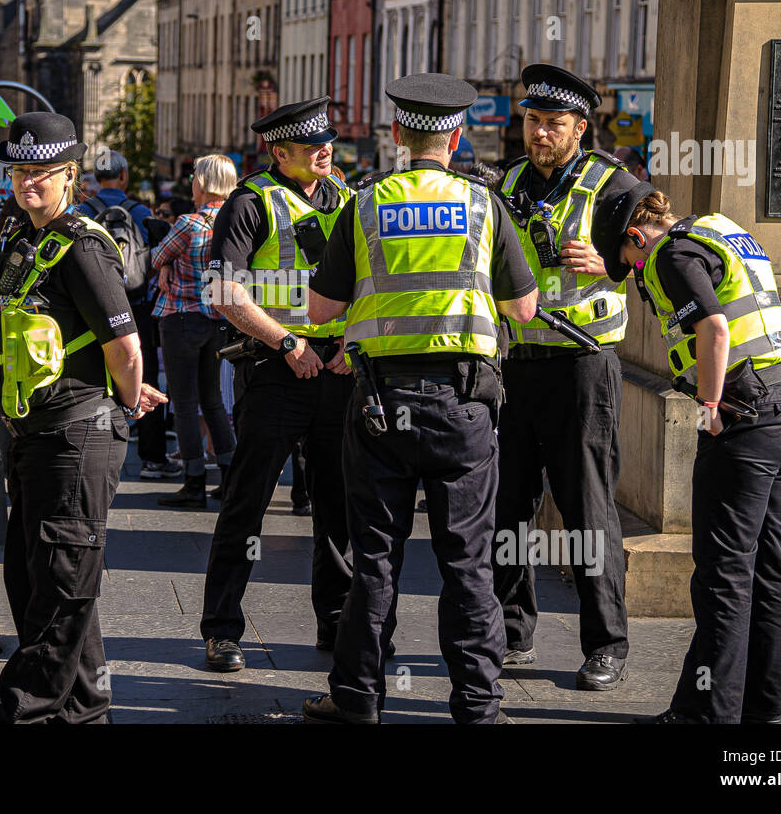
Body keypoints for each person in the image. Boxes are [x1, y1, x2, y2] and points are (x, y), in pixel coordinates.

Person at [301, 74, 539, 724]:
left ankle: (356, 698)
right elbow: (523, 305)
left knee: (374, 558)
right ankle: (479, 704)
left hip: (381, 404)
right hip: (464, 406)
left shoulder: (366, 204)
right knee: (467, 561)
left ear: (400, 135)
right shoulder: (485, 206)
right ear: (457, 137)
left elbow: (322, 309)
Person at [592, 185, 781, 724]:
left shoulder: (670, 254)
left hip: (743, 414)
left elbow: (714, 328)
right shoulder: (721, 231)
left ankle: (706, 712)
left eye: (625, 260)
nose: (633, 273)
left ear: (633, 238)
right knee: (768, 565)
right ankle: (763, 705)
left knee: (723, 572)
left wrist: (711, 405)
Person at [0, 113, 165, 723]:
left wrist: (128, 398)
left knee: (60, 585)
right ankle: (87, 708)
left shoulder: (82, 248)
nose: (29, 182)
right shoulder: (21, 244)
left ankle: (24, 712)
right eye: (21, 171)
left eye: (43, 173)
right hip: (35, 433)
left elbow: (124, 344)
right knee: (38, 579)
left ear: (70, 175)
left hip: (78, 434)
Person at [491, 63, 638, 691]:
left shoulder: (617, 187)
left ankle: (605, 643)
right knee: (509, 505)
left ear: (582, 126)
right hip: (516, 363)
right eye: (532, 121)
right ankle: (511, 632)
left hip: (584, 366)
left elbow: (661, 254)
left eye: (553, 123)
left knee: (587, 508)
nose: (540, 134)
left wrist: (607, 266)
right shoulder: (509, 181)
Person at [199, 96, 354, 671]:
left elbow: (370, 276)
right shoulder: (247, 202)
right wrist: (287, 343)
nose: (324, 153)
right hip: (274, 370)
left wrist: (350, 346)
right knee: (248, 500)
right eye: (311, 147)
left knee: (338, 506)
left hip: (337, 370)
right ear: (278, 150)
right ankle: (222, 628)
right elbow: (223, 291)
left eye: (327, 144)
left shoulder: (346, 198)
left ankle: (336, 624)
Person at [75, 151, 178, 479]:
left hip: (93, 310)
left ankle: (97, 445)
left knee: (95, 375)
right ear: (124, 177)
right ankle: (153, 457)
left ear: (95, 178)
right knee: (142, 373)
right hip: (137, 306)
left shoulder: (82, 211)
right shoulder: (141, 212)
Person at [153, 154, 238, 509]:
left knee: (185, 402)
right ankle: (231, 476)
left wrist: (167, 263)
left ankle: (193, 481)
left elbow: (157, 255)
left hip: (182, 316)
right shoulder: (236, 220)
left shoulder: (189, 223)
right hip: (219, 321)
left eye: (193, 176)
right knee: (213, 399)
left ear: (202, 183)